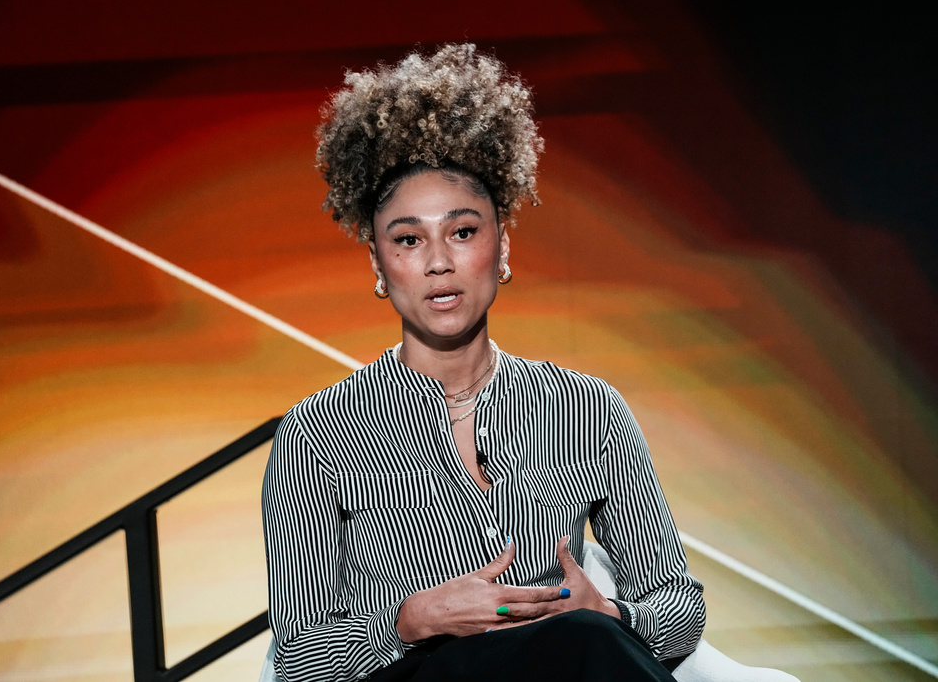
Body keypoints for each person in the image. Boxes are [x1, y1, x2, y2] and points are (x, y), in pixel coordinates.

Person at [262, 43, 706, 682]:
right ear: (379, 268)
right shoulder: (319, 430)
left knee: (583, 639)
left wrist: (608, 610)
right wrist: (409, 621)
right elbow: (299, 661)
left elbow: (679, 605)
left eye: (463, 232)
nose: (438, 262)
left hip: (572, 661)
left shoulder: (589, 408)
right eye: (409, 240)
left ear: (501, 248)